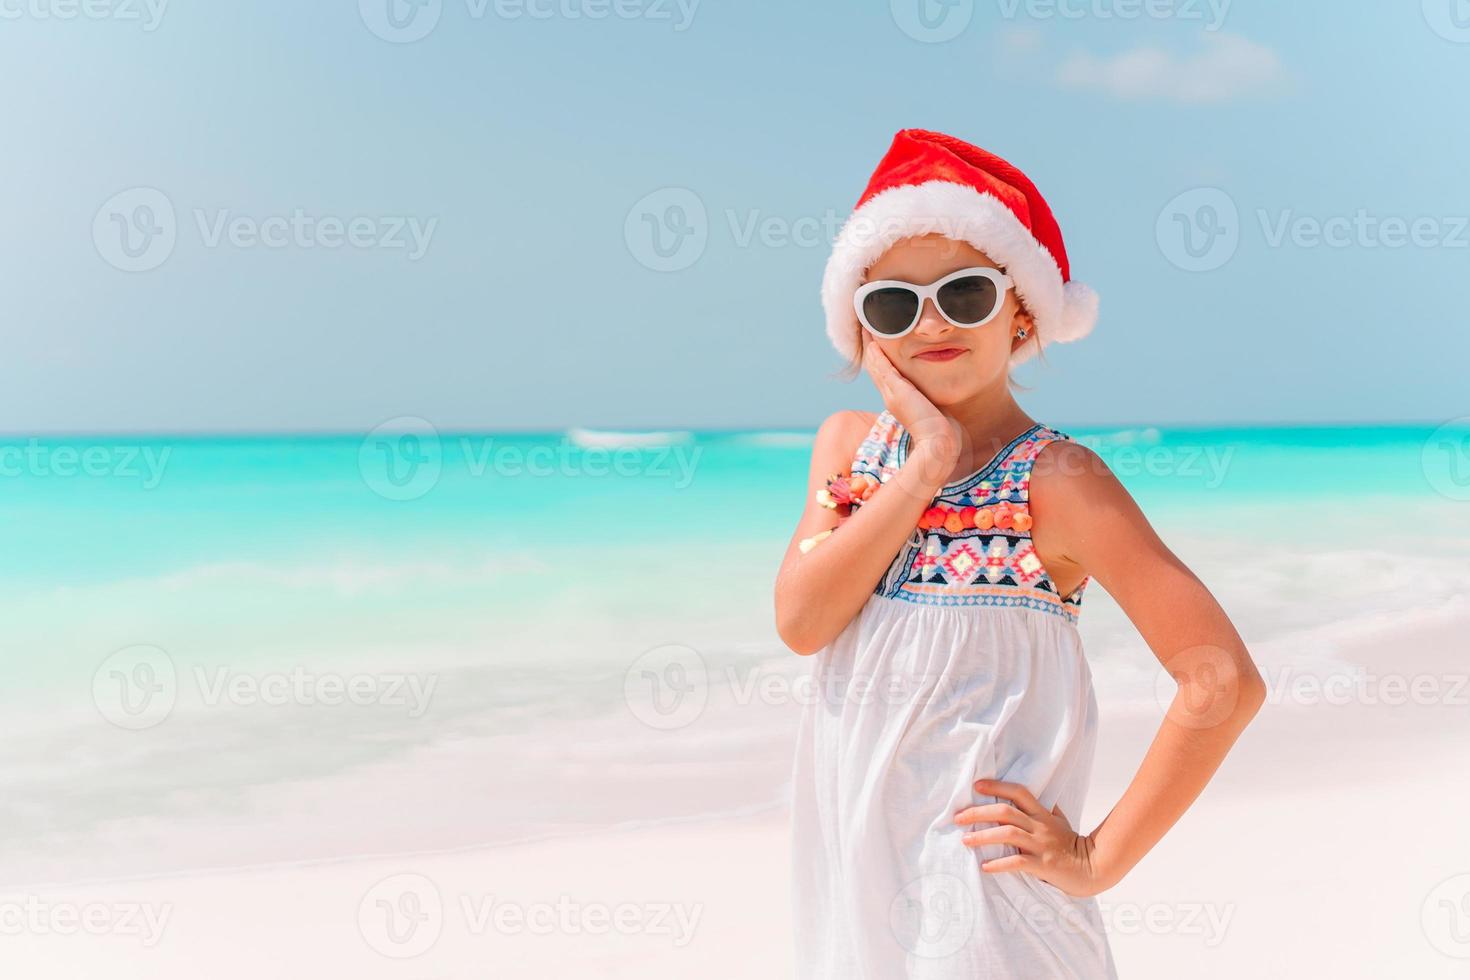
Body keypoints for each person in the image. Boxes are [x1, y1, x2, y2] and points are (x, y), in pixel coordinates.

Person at [776, 129, 1266, 978]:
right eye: (893, 304)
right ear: (861, 329)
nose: (930, 322)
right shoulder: (850, 449)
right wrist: (925, 460)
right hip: (855, 888)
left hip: (990, 913)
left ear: (1023, 312)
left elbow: (1221, 680)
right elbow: (804, 620)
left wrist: (1095, 858)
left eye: (964, 294)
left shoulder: (1057, 480)